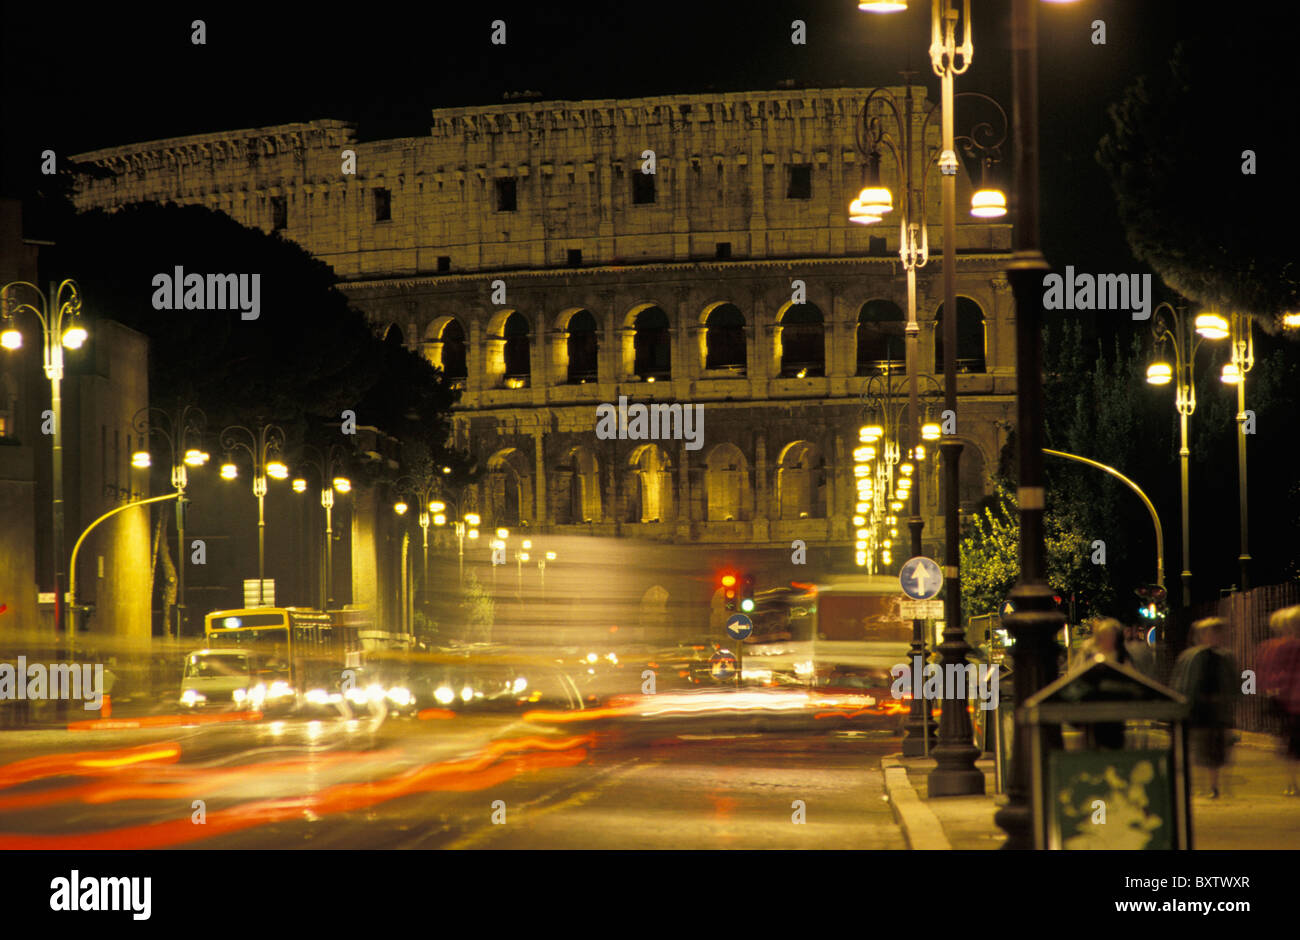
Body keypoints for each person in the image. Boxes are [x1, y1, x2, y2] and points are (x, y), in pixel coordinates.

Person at [1172, 617, 1238, 799]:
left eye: (1219, 632)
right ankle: (1204, 784)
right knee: (1201, 749)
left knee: (1217, 750)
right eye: (1212, 632)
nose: (1216, 636)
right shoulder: (1191, 657)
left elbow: (1234, 683)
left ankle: (1213, 785)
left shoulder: (1225, 656)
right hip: (1199, 711)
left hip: (1218, 711)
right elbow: (1182, 684)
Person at [1258, 605, 1300, 796]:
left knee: (1288, 745)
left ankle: (1292, 783)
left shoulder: (1271, 647)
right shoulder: (1282, 647)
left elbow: (1263, 674)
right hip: (1290, 702)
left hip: (1285, 702)